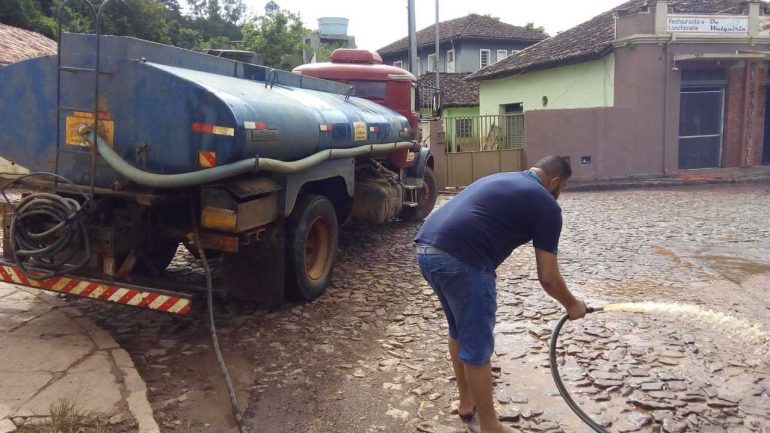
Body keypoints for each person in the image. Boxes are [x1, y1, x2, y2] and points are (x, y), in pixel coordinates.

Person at [415, 155, 587, 433]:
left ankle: (466, 402)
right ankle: (490, 426)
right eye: (562, 188)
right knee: (477, 344)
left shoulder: (503, 178)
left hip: (426, 251)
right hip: (463, 259)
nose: (559, 194)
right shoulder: (546, 205)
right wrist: (572, 304)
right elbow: (548, 277)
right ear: (554, 181)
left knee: (459, 331)